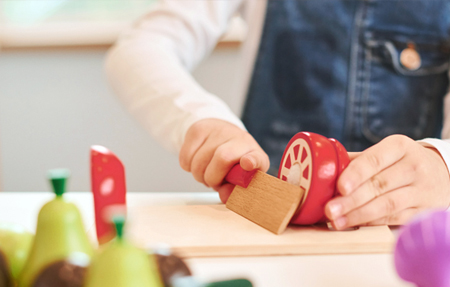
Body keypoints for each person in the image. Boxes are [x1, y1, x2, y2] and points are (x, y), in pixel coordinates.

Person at [105, 0, 450, 230]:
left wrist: (442, 163)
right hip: (261, 229)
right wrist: (200, 117)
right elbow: (141, 46)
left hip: (402, 239)